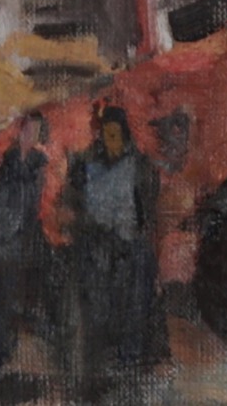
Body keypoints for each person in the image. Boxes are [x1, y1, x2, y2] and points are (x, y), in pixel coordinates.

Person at [63, 105, 161, 393]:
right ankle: (100, 365)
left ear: (125, 135)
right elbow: (73, 200)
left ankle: (129, 360)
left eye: (115, 135)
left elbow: (147, 208)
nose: (110, 141)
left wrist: (135, 232)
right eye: (106, 135)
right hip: (98, 243)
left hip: (130, 244)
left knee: (133, 302)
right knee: (98, 303)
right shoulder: (87, 163)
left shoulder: (139, 165)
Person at [0, 110, 50, 372]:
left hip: (28, 239)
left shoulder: (39, 162)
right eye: (28, 129)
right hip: (6, 240)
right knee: (3, 297)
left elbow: (36, 199)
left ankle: (9, 349)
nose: (30, 135)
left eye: (35, 131)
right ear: (21, 129)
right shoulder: (8, 160)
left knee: (19, 299)